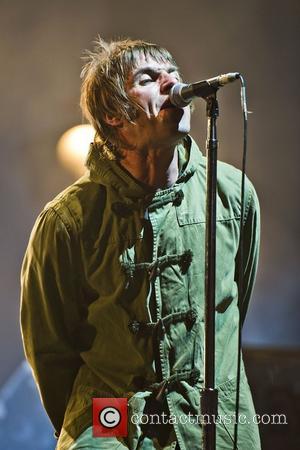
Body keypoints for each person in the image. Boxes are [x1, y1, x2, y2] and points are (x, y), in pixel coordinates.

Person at [20, 37, 261, 450]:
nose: (171, 83)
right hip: (111, 424)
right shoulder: (68, 221)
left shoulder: (232, 194)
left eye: (174, 74)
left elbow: (234, 304)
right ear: (114, 114)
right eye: (148, 78)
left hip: (214, 428)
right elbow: (50, 351)